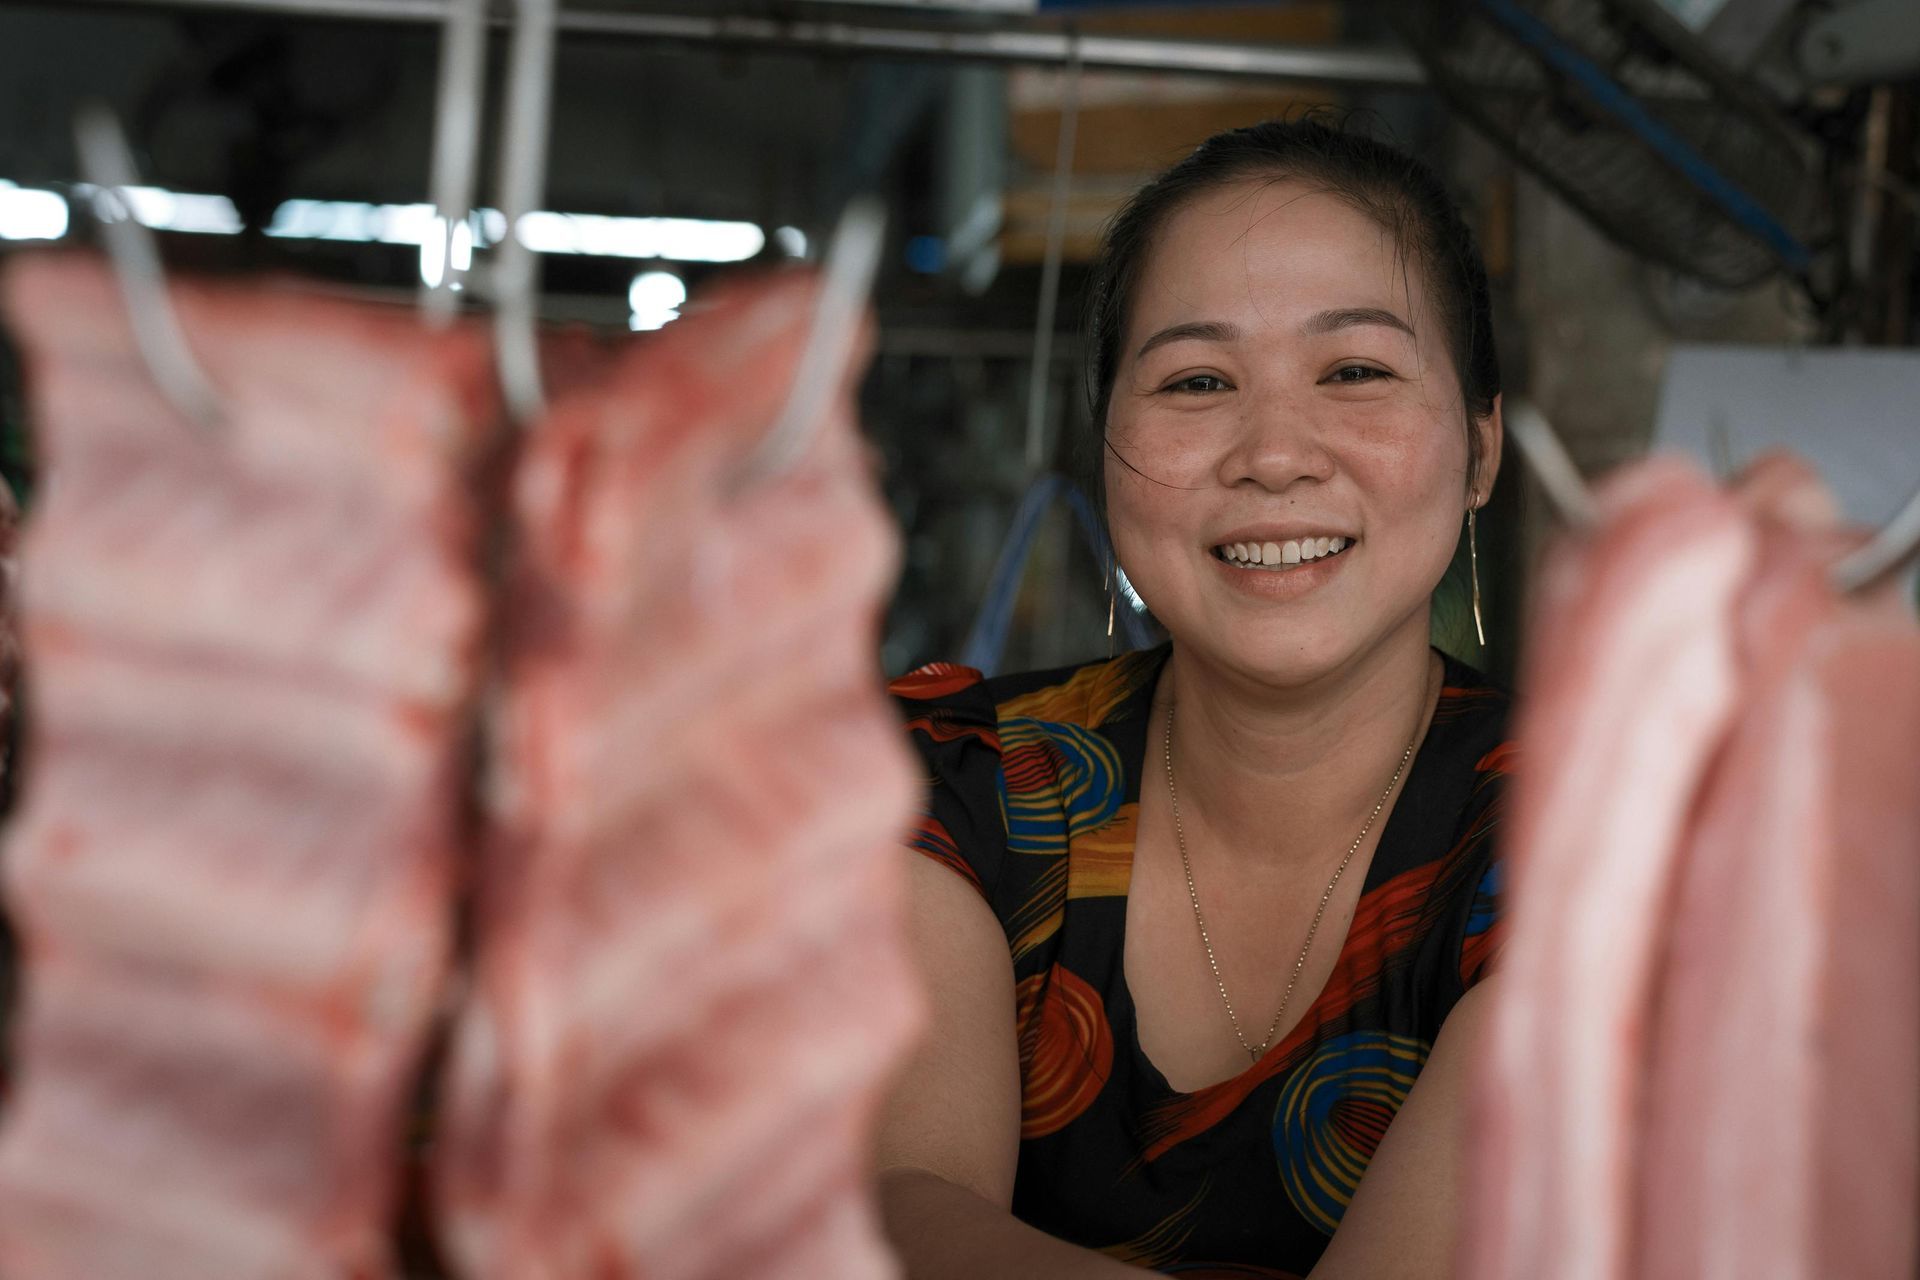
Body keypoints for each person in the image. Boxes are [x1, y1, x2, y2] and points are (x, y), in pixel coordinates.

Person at [874, 114, 1512, 1279]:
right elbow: (896, 1214)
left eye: (1356, 370)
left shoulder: (1602, 839)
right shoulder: (954, 780)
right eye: (1197, 379)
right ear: (1106, 443)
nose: (1274, 453)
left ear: (1480, 450)